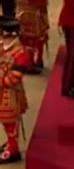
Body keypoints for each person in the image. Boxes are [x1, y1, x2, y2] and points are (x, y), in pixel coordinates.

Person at [11, 0, 48, 74]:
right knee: (37, 39)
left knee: (25, 40)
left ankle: (27, 62)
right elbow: (41, 3)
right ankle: (35, 62)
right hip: (34, 16)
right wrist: (45, 0)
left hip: (20, 14)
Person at [0, 17, 30, 164]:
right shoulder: (2, 46)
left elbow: (14, 77)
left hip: (10, 93)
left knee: (10, 121)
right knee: (5, 121)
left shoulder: (20, 53)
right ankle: (10, 143)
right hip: (2, 92)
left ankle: (13, 149)